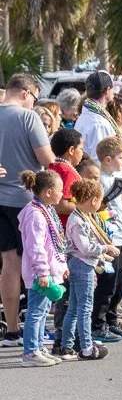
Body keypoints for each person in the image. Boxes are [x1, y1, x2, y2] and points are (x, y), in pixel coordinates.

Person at [0, 74, 55, 347]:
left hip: (0, 199)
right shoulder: (27, 117)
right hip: (24, 199)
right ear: (25, 93)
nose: (34, 103)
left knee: (9, 263)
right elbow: (47, 158)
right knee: (36, 262)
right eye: (34, 98)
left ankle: (12, 330)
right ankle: (35, 332)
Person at [17, 169, 68, 367]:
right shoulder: (35, 215)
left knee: (43, 310)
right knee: (36, 312)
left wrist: (61, 266)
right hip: (40, 274)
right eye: (60, 190)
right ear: (48, 192)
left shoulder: (47, 210)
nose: (63, 194)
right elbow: (35, 246)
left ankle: (38, 346)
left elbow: (55, 244)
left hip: (48, 272)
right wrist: (42, 271)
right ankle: (30, 352)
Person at [62, 179, 116, 361]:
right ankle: (86, 347)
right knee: (85, 308)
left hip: (81, 264)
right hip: (82, 264)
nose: (100, 205)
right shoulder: (78, 220)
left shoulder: (80, 216)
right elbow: (85, 248)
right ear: (93, 200)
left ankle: (67, 345)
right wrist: (105, 248)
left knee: (75, 308)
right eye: (100, 200)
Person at [47, 128, 85, 355]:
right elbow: (62, 203)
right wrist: (87, 208)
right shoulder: (65, 170)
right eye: (80, 148)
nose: (83, 152)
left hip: (61, 236)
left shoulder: (56, 167)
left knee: (68, 291)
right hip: (67, 237)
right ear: (71, 150)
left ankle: (67, 338)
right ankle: (64, 340)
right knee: (69, 292)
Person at [92, 136, 122, 343]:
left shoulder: (117, 174)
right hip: (108, 237)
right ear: (107, 159)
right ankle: (98, 325)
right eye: (121, 157)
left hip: (121, 234)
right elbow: (99, 206)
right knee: (107, 283)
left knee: (120, 282)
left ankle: (111, 318)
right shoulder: (99, 178)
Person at [75, 71, 118, 161]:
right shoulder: (99, 123)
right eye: (112, 89)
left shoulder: (86, 116)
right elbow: (100, 160)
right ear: (107, 90)